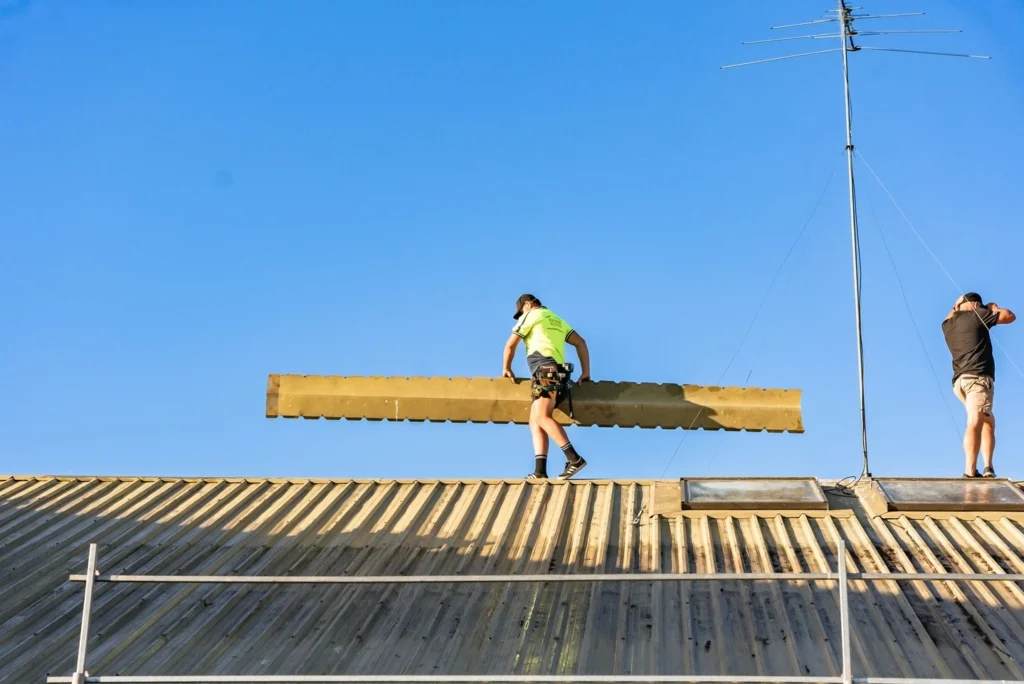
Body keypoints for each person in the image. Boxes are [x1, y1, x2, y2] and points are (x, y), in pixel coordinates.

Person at [502, 294, 591, 480]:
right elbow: (580, 342)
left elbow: (510, 345)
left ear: (528, 304)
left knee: (542, 416)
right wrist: (585, 372)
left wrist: (506, 367)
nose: (520, 316)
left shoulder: (531, 316)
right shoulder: (556, 318)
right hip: (558, 373)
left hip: (545, 369)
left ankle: (574, 459)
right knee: (535, 419)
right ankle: (540, 471)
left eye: (520, 312)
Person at [941, 292, 1015, 478]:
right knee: (976, 421)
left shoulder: (947, 324)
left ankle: (988, 467)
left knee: (988, 420)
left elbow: (952, 312)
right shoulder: (977, 316)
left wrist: (957, 305)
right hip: (978, 379)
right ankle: (970, 470)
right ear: (975, 305)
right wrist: (993, 307)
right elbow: (1009, 316)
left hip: (960, 382)